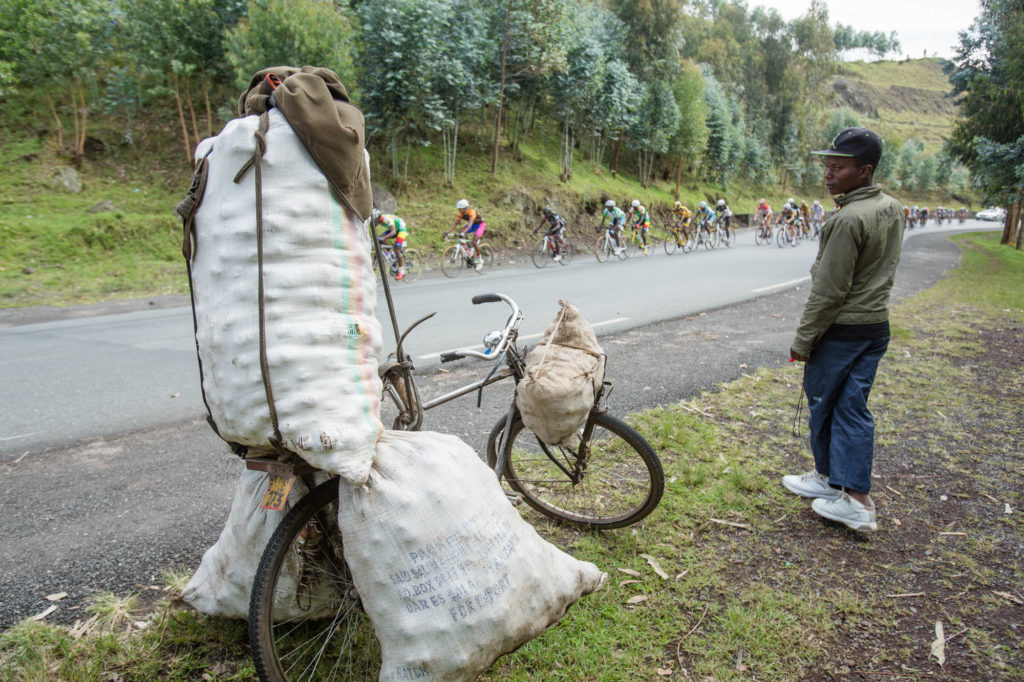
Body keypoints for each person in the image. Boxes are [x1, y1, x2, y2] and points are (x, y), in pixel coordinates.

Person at [782, 127, 905, 533]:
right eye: (828, 165)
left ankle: (853, 499)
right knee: (852, 405)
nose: (829, 174)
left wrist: (803, 341)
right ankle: (832, 480)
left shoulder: (848, 218)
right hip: (875, 326)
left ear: (865, 170)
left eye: (839, 167)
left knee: (827, 404)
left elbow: (829, 291)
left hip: (842, 331)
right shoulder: (890, 206)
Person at [445, 199, 486, 270]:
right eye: (459, 210)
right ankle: (467, 250)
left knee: (474, 241)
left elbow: (469, 225)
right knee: (460, 231)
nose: (459, 211)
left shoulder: (472, 212)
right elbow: (455, 224)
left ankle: (480, 259)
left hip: (480, 225)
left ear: (465, 208)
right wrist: (447, 232)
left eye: (460, 210)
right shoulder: (461, 214)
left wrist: (463, 233)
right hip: (473, 225)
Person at [373, 209, 409, 280]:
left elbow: (393, 232)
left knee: (397, 249)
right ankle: (391, 254)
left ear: (378, 218)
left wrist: (384, 238)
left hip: (401, 229)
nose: (375, 222)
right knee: (380, 239)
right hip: (395, 228)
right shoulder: (378, 219)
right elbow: (373, 229)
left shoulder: (386, 219)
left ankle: (401, 272)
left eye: (375, 221)